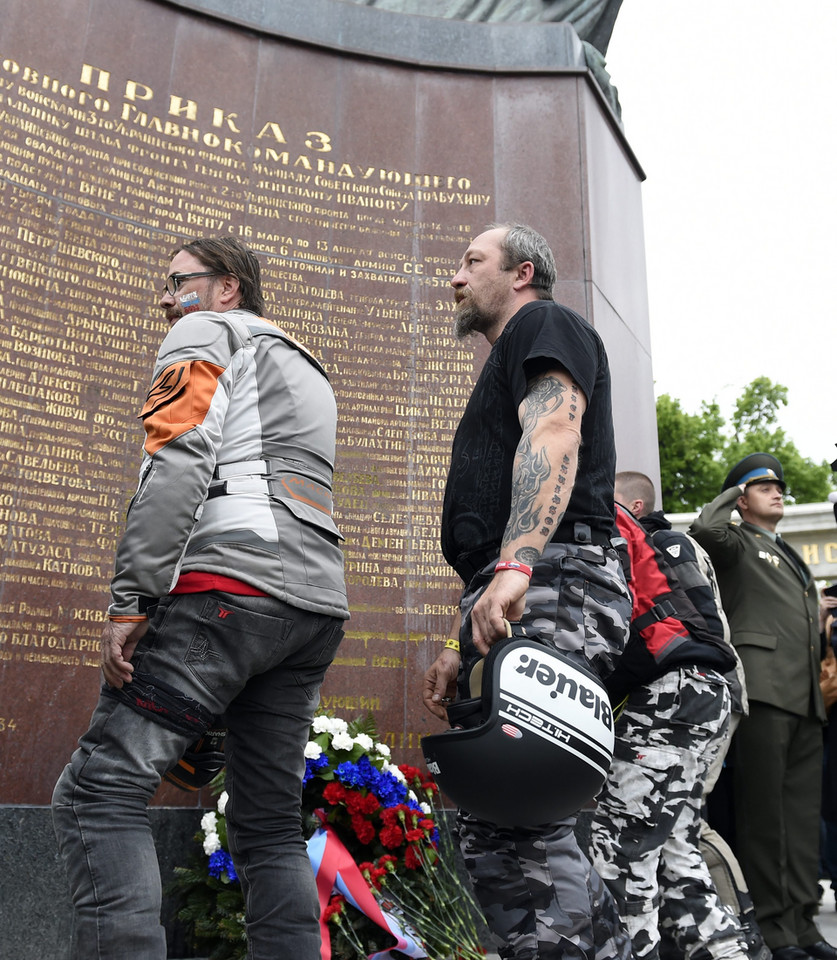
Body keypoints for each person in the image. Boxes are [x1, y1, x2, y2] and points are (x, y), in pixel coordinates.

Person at [52, 237, 349, 960]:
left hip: (226, 590)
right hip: (313, 607)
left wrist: (132, 597)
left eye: (179, 281)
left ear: (228, 289)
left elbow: (178, 457)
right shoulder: (306, 368)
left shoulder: (205, 332)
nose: (166, 298)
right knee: (269, 824)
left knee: (101, 791)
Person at [422, 222, 633, 960]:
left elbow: (553, 435)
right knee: (500, 823)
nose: (454, 275)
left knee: (527, 818)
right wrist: (463, 638)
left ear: (522, 272)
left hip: (552, 578)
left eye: (470, 259)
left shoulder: (544, 322)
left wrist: (516, 566)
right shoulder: (508, 354)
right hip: (523, 584)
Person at [590, 470, 750, 960]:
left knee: (622, 859)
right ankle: (727, 952)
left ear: (632, 507)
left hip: (663, 698)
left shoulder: (613, 531)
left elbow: (612, 625)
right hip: (713, 695)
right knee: (680, 854)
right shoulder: (684, 548)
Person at [690, 453, 833, 960]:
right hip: (766, 694)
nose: (777, 491)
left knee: (798, 821)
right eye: (763, 485)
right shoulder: (735, 543)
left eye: (779, 485)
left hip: (804, 701)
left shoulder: (787, 552)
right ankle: (773, 930)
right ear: (743, 498)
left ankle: (803, 924)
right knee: (764, 819)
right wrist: (733, 492)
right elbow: (705, 527)